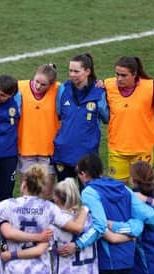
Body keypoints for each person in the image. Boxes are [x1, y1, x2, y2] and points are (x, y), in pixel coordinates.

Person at [53, 53, 109, 182]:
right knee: (65, 197)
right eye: (70, 71)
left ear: (87, 71)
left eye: (76, 71)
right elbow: (59, 113)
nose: (72, 74)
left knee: (88, 196)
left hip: (87, 154)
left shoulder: (99, 92)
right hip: (64, 152)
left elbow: (106, 118)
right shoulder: (63, 89)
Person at [104, 56, 154, 182]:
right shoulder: (107, 85)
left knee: (142, 190)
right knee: (116, 191)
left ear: (134, 74)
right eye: (117, 74)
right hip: (117, 149)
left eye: (124, 75)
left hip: (142, 150)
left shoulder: (150, 88)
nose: (119, 79)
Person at [17, 64, 60, 198]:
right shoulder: (20, 87)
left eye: (43, 84)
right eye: (37, 81)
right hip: (26, 149)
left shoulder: (58, 89)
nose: (38, 86)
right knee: (26, 191)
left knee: (46, 192)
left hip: (48, 151)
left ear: (51, 84)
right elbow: (0, 84)